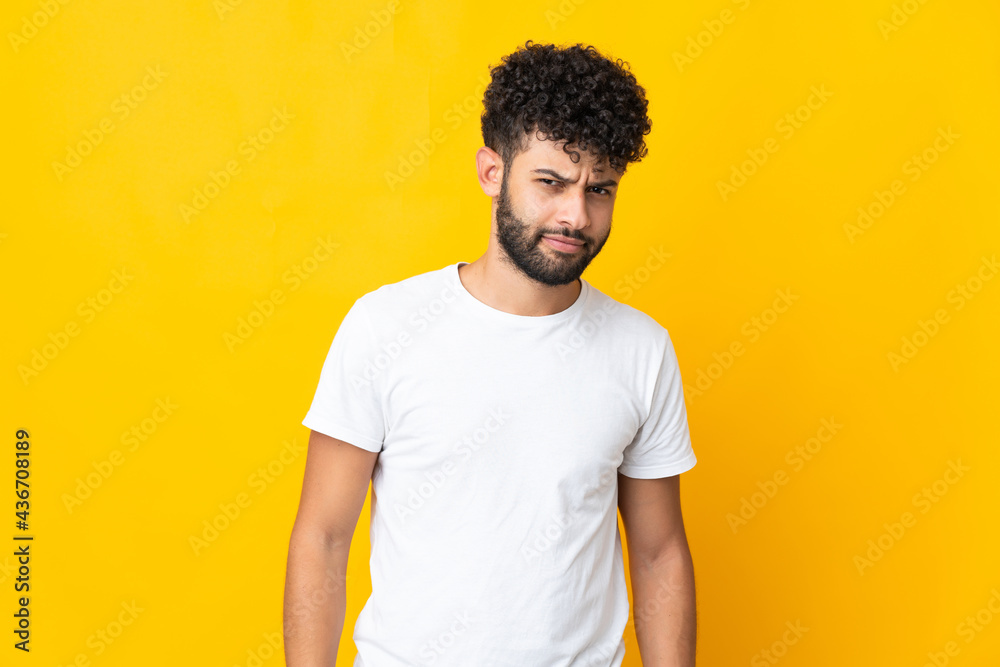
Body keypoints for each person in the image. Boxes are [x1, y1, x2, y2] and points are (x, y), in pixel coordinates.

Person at [284, 39, 697, 667]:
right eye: (551, 182)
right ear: (492, 172)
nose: (575, 215)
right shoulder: (385, 326)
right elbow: (323, 537)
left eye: (600, 189)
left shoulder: (642, 349)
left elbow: (660, 551)